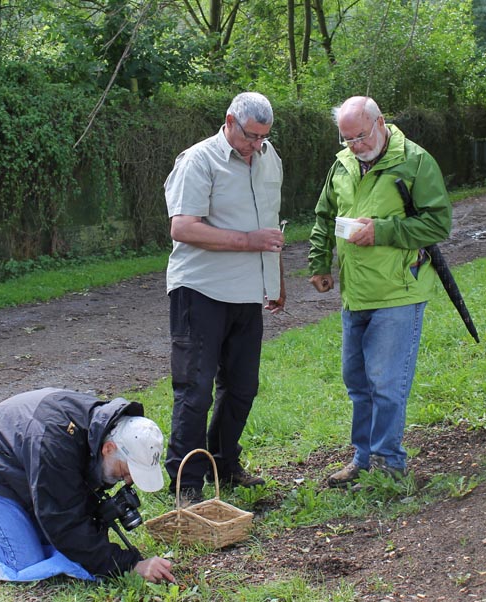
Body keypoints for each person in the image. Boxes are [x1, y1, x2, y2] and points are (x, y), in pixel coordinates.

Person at [0, 388, 175, 584]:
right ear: (109, 448)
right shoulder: (56, 443)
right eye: (127, 470)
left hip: (22, 471)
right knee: (24, 560)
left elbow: (71, 503)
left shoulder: (96, 430)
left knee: (54, 542)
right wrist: (129, 565)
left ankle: (3, 524)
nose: (127, 481)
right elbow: (65, 522)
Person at [308, 96, 452, 488]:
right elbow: (324, 216)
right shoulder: (342, 164)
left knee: (386, 383)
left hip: (398, 292)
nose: (355, 145)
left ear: (381, 123)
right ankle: (363, 458)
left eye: (360, 136)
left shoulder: (415, 161)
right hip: (355, 294)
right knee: (357, 382)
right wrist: (319, 263)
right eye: (347, 138)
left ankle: (389, 462)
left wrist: (383, 231)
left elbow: (438, 224)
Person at [163, 92, 285, 506]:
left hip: (247, 294)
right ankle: (187, 483)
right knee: (194, 390)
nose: (257, 145)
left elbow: (271, 227)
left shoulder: (270, 159)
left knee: (242, 388)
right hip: (200, 290)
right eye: (251, 136)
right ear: (229, 120)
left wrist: (275, 281)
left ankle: (223, 463)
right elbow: (183, 227)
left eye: (264, 137)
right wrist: (247, 242)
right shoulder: (198, 160)